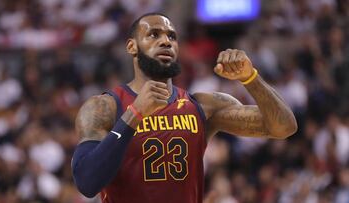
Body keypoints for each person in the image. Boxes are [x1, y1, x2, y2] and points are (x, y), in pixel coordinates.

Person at [71, 13, 297, 203]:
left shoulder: (203, 106)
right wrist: (134, 114)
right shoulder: (105, 107)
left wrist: (251, 78)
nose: (166, 41)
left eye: (172, 36)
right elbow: (87, 182)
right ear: (132, 46)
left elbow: (284, 127)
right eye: (153, 34)